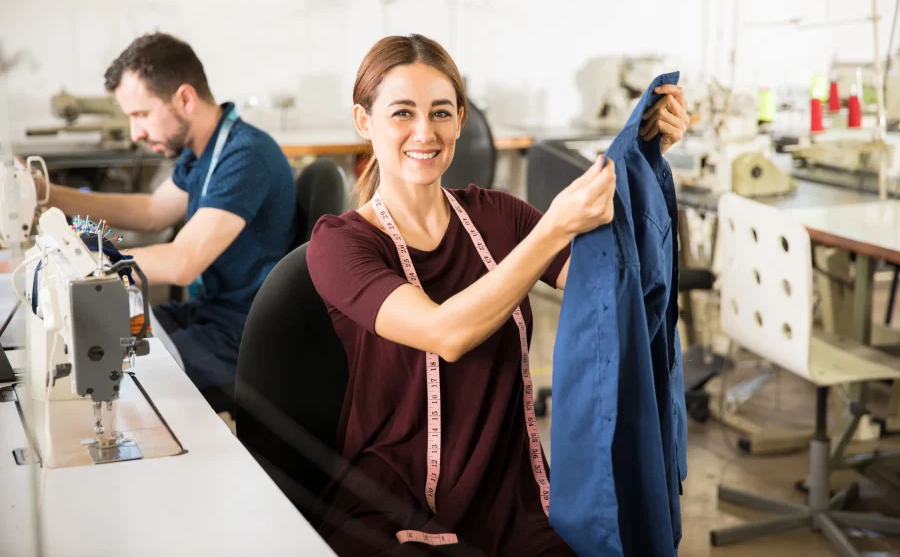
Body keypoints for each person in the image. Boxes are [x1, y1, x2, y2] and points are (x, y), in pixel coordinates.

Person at [307, 34, 688, 556]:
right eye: (402, 113)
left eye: (441, 113)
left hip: (513, 497)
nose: (425, 132)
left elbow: (612, 285)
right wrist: (552, 229)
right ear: (363, 121)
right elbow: (446, 333)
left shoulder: (499, 216)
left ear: (460, 121)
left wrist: (643, 162)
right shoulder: (340, 243)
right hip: (390, 501)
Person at [30, 32, 297, 398]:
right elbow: (152, 212)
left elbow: (181, 263)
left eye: (141, 114)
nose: (135, 133)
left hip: (246, 333)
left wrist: (75, 261)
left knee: (116, 377)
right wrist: (46, 193)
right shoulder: (204, 151)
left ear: (185, 98)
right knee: (96, 337)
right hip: (210, 312)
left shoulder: (246, 154)